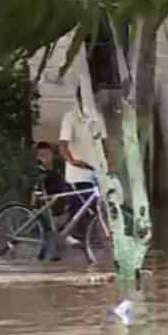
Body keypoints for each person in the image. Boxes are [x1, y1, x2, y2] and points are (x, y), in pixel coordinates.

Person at [58, 87, 112, 244]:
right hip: (77, 174)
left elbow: (105, 143)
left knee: (97, 206)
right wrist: (72, 161)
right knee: (79, 207)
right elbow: (63, 145)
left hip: (96, 171)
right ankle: (71, 236)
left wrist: (110, 163)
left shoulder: (98, 118)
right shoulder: (70, 118)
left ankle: (90, 239)